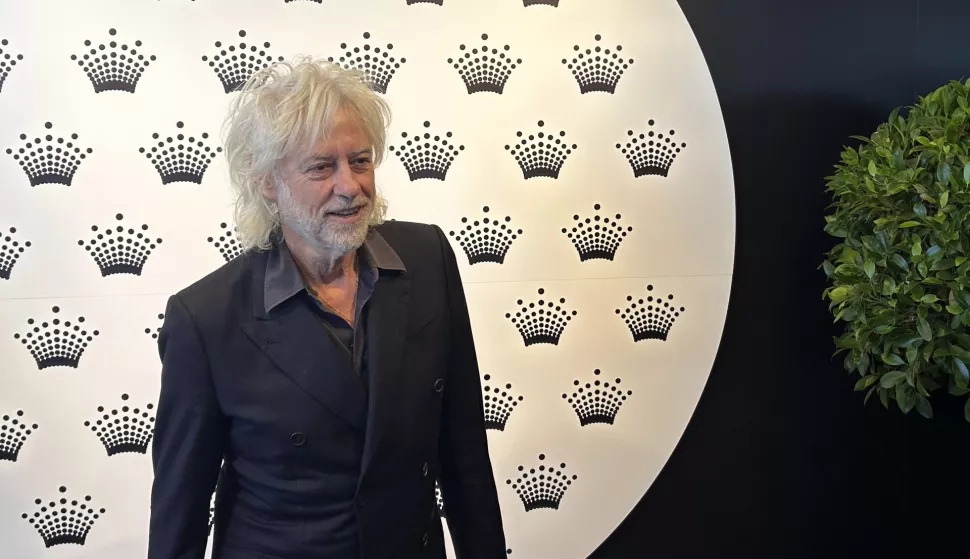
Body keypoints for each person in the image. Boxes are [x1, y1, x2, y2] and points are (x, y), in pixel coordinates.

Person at [147, 57, 507, 559]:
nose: (350, 186)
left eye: (360, 160)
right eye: (321, 167)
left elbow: (464, 450)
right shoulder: (205, 318)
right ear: (268, 182)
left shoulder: (428, 259)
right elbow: (180, 508)